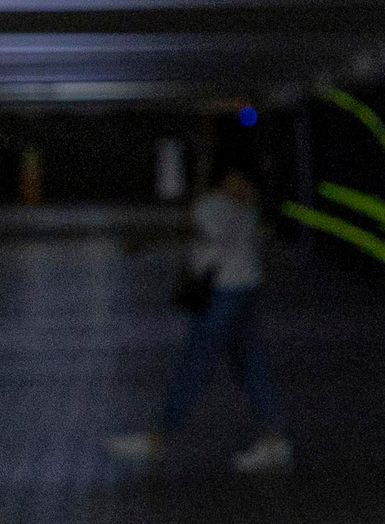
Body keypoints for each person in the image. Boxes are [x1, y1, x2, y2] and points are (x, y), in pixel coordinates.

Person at [111, 164, 291, 472]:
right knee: (249, 365)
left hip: (224, 293)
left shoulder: (216, 205)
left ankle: (158, 437)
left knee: (194, 363)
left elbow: (202, 232)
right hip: (244, 287)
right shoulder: (246, 204)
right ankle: (275, 439)